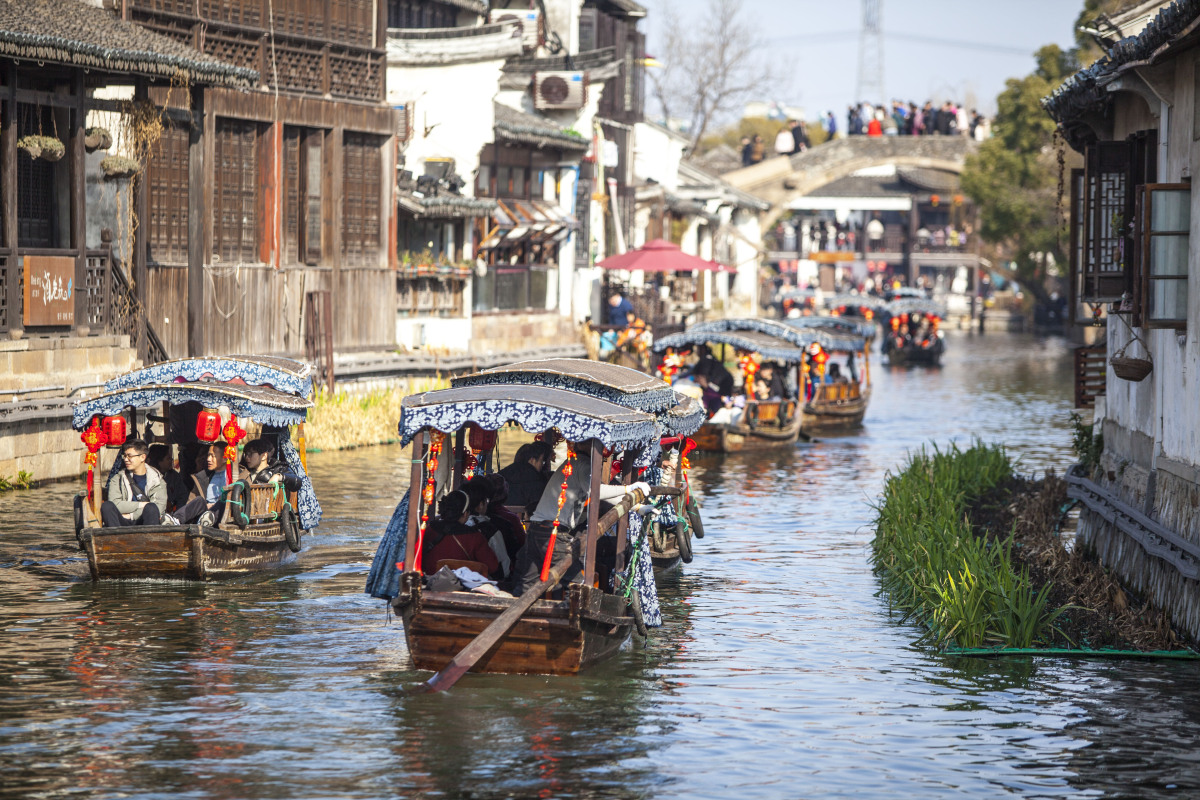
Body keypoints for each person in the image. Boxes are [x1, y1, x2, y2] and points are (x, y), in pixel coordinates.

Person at [515, 440, 649, 594]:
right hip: (553, 533)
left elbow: (601, 494)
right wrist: (627, 488)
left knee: (528, 582)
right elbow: (596, 491)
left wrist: (638, 508)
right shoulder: (583, 463)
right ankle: (570, 616)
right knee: (575, 582)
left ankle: (520, 612)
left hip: (537, 529)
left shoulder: (575, 462)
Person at [421, 489, 501, 579]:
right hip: (462, 588)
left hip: (430, 583)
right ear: (465, 513)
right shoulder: (475, 537)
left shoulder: (429, 529)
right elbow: (493, 567)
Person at [101, 440, 168, 527]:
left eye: (130, 456)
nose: (126, 459)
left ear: (142, 457)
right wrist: (141, 504)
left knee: (151, 508)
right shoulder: (117, 479)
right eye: (124, 456)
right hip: (122, 521)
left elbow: (159, 508)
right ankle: (116, 539)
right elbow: (116, 504)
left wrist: (131, 515)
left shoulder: (158, 480)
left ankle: (150, 540)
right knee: (107, 506)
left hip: (144, 521)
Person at [174, 443, 229, 527]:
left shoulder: (236, 476)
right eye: (208, 456)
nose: (208, 459)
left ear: (225, 458)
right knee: (199, 500)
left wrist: (213, 506)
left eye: (212, 456)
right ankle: (176, 520)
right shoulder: (203, 477)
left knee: (223, 502)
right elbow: (191, 501)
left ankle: (209, 518)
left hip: (223, 516)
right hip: (202, 515)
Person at [499, 441, 553, 510]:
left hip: (501, 514)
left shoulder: (504, 473)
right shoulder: (537, 480)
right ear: (532, 460)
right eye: (542, 461)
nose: (543, 465)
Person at [149, 443, 189, 513]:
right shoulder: (148, 476)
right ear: (159, 461)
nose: (171, 460)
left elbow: (183, 495)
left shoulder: (174, 476)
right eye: (168, 458)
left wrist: (178, 513)